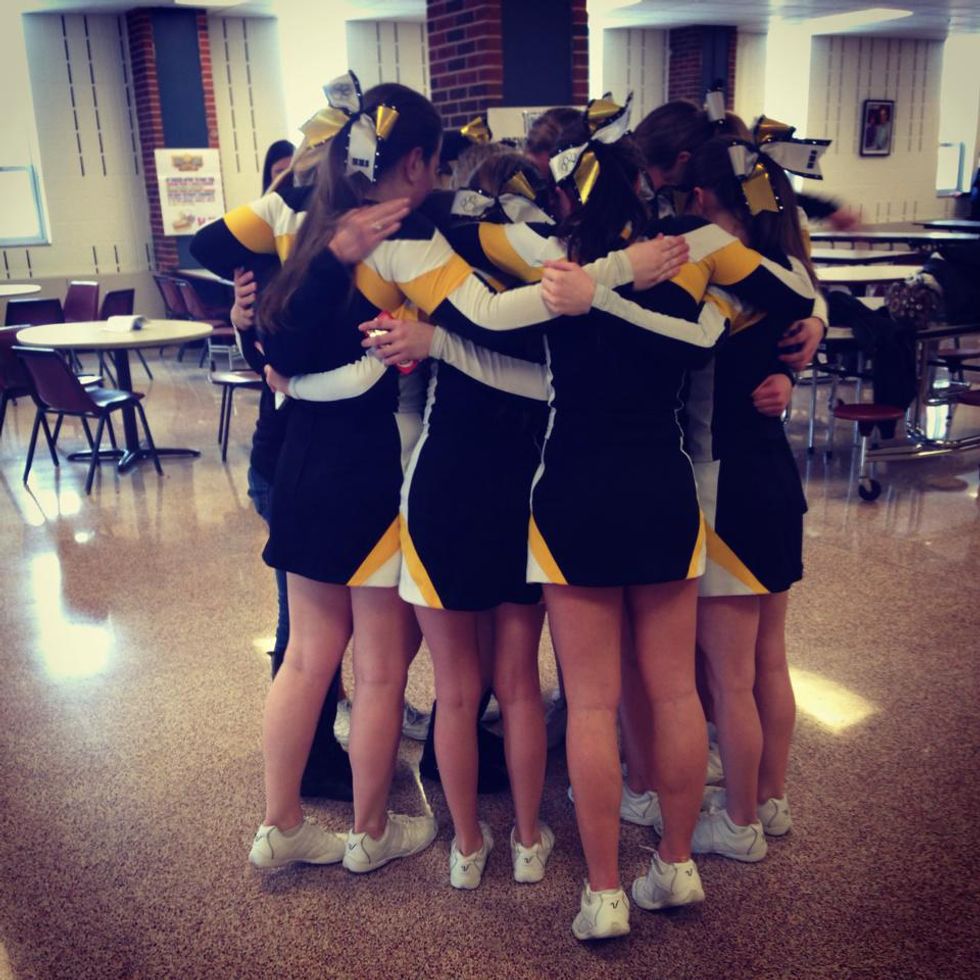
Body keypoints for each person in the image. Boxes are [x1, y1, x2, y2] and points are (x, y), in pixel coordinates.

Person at [679, 137, 819, 858]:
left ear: (702, 200)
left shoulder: (712, 282)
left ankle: (737, 823)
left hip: (724, 489)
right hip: (775, 482)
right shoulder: (790, 274)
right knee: (769, 660)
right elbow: (809, 311)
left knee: (731, 678)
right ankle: (771, 798)